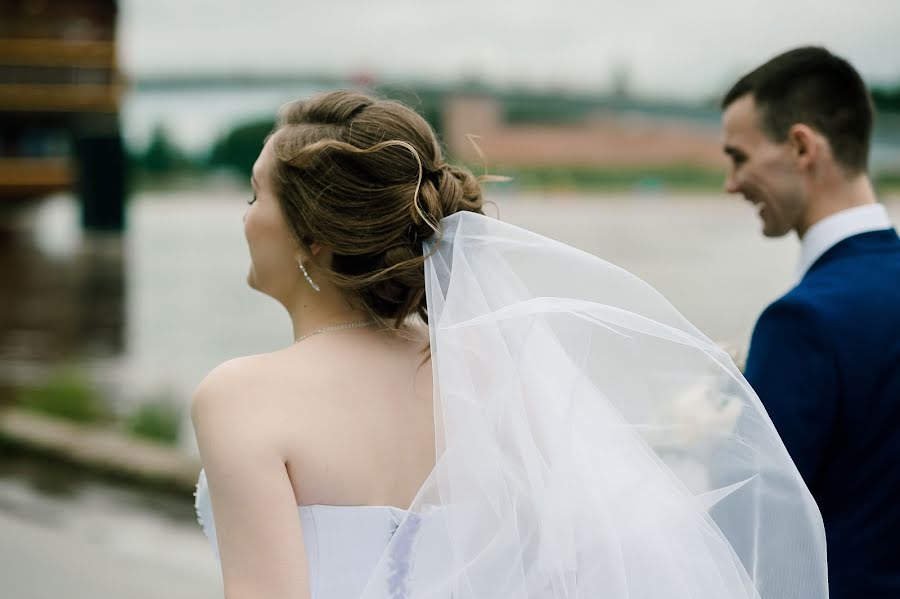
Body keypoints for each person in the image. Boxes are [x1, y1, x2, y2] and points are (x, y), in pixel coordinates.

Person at [192, 90, 827, 599]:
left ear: (316, 238)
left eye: (256, 194)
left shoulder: (241, 397)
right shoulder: (489, 370)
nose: (245, 215)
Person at [721, 46, 900, 599]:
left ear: (801, 146)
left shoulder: (801, 322)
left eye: (739, 157)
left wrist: (711, 439)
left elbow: (755, 530)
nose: (732, 183)